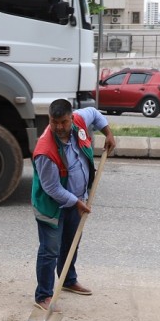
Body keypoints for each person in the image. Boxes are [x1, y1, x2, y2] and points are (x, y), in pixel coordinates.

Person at [32, 98, 115, 308]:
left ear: (71, 118)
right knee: (50, 249)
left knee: (71, 243)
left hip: (77, 201)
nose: (59, 127)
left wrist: (108, 133)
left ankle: (68, 280)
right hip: (53, 206)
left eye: (64, 122)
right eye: (54, 122)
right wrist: (75, 202)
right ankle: (43, 296)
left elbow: (95, 114)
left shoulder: (79, 119)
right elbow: (52, 188)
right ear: (49, 120)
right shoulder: (45, 150)